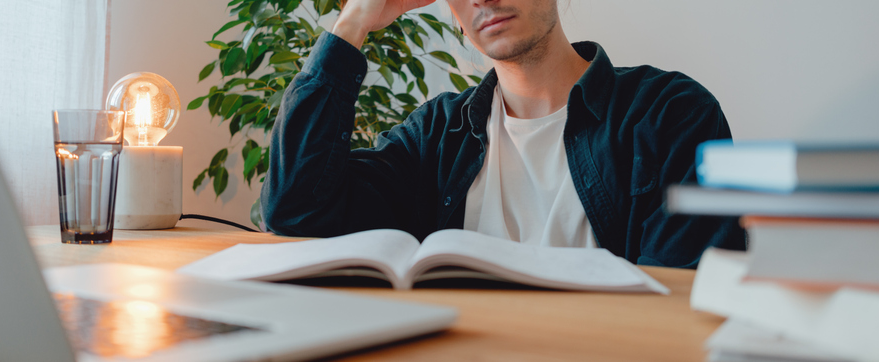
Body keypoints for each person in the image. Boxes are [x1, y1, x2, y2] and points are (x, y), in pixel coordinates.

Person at [262, 0, 746, 268]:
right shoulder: (436, 134)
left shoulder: (671, 114)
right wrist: (355, 20)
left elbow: (684, 308)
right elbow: (295, 209)